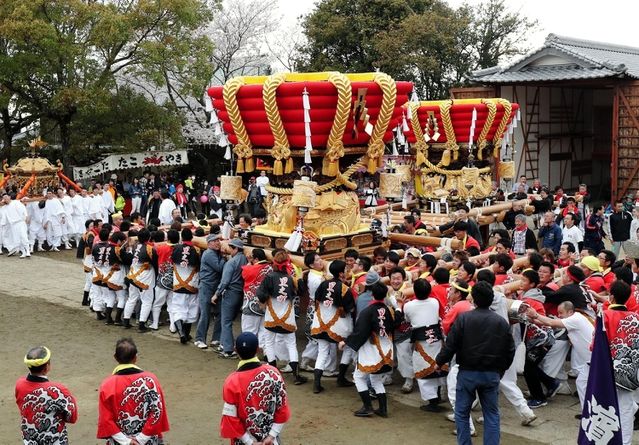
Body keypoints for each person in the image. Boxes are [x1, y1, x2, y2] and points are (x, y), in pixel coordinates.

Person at [435, 282, 515, 445]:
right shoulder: (500, 322)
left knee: (462, 412)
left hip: (468, 372)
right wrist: (501, 369)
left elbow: (451, 344)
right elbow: (510, 350)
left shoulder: (464, 318)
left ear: (474, 299)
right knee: (491, 414)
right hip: (491, 373)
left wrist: (439, 361)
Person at [220, 332, 290, 445]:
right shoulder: (273, 373)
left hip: (243, 441)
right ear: (258, 349)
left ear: (235, 350)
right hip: (271, 440)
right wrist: (271, 436)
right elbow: (282, 408)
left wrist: (250, 442)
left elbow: (230, 417)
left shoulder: (231, 381)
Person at [340, 281, 396, 418]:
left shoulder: (367, 311)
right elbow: (396, 323)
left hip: (371, 350)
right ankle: (383, 409)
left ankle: (368, 406)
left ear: (372, 294)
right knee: (376, 379)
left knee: (358, 377)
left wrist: (346, 342)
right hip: (387, 348)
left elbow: (360, 332)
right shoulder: (390, 310)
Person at [97, 338, 169, 444]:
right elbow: (157, 411)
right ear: (135, 358)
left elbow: (106, 419)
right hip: (149, 440)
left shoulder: (107, 385)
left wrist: (127, 441)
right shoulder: (151, 380)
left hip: (119, 441)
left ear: (115, 357)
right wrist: (141, 438)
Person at [527, 301, 593, 409]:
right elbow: (549, 323)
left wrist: (535, 315)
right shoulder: (576, 317)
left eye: (561, 313)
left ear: (570, 312)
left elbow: (552, 323)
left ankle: (590, 412)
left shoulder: (575, 319)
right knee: (581, 383)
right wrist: (532, 320)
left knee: (587, 384)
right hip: (590, 359)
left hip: (594, 359)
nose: (559, 315)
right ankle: (587, 412)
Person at [257, 249, 308, 385]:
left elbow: (261, 295)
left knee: (269, 343)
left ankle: (273, 375)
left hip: (271, 316)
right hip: (288, 318)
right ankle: (296, 375)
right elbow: (302, 293)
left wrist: (267, 296)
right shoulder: (292, 278)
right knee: (291, 345)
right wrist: (300, 279)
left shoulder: (269, 277)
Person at [15, 346, 78, 444]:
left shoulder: (19, 384)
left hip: (30, 440)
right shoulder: (58, 390)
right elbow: (72, 417)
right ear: (46, 367)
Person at [311, 259, 356, 393]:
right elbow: (349, 309)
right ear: (341, 273)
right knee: (348, 347)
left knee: (322, 351)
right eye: (345, 270)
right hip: (338, 326)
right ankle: (341, 377)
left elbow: (316, 301)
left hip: (320, 323)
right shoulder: (344, 288)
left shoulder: (323, 283)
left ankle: (317, 383)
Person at [403, 278, 448, 412]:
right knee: (438, 365)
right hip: (436, 339)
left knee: (422, 369)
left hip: (422, 340)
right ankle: (437, 396)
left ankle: (433, 401)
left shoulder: (408, 306)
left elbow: (407, 320)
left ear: (415, 292)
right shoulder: (434, 302)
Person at [214, 238, 248, 358]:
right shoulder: (245, 259)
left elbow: (225, 282)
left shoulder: (231, 263)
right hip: (240, 294)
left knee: (226, 321)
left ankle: (228, 349)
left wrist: (216, 294)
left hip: (230, 293)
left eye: (231, 248)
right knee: (229, 320)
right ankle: (224, 344)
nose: (229, 250)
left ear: (236, 249)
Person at [194, 234, 226, 350]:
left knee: (220, 313)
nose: (218, 243)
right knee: (205, 314)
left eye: (218, 240)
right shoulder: (208, 254)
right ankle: (199, 339)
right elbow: (219, 268)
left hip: (215, 287)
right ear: (209, 244)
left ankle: (215, 338)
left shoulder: (214, 253)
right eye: (215, 241)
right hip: (206, 287)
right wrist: (223, 257)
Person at [171, 228, 201, 343]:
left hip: (178, 284)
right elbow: (198, 265)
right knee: (191, 308)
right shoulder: (196, 249)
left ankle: (181, 333)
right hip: (192, 284)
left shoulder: (176, 248)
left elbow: (172, 261)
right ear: (191, 237)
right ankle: (186, 334)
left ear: (181, 237)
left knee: (178, 308)